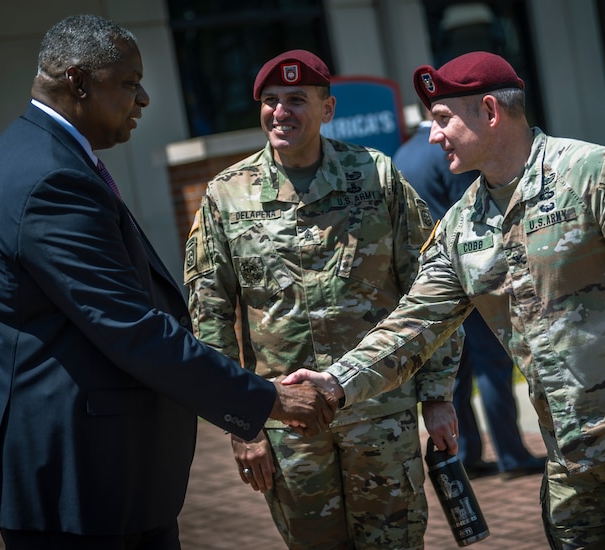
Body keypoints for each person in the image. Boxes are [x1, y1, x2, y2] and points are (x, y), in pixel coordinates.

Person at [286, 51, 605, 548]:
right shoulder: (462, 226)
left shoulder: (597, 175)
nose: (433, 136)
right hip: (569, 461)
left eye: (442, 120)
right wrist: (335, 382)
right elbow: (413, 325)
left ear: (490, 111)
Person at [0, 15, 334, 550]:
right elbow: (131, 329)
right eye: (130, 83)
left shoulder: (42, 155)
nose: (144, 100)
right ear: (79, 83)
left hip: (97, 480)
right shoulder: (51, 178)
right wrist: (266, 401)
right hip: (80, 488)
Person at [184, 49, 462, 549]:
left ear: (328, 110)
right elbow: (210, 317)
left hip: (380, 415)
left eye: (296, 99)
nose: (280, 111)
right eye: (270, 101)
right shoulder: (226, 197)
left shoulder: (377, 177)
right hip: (288, 426)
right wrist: (241, 424)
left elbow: (431, 288)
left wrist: (437, 396)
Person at [394, 114, 545, 480]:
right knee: (493, 367)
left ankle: (467, 456)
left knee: (455, 377)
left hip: (429, 279)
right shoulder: (448, 156)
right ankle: (512, 455)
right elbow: (470, 211)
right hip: (466, 274)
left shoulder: (400, 157)